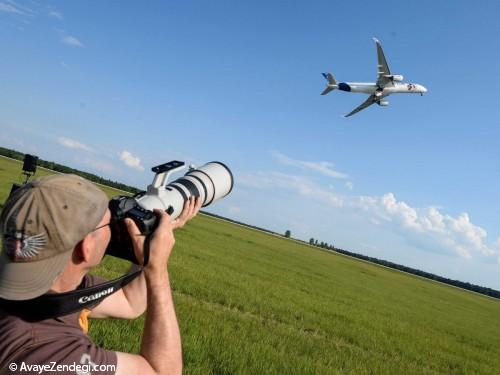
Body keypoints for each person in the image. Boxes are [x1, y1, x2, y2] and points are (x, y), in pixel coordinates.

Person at [0, 174, 202, 375]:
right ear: (86, 246)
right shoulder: (53, 354)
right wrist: (157, 270)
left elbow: (130, 302)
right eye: (109, 222)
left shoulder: (58, 287)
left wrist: (149, 246)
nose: (115, 226)